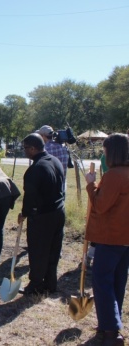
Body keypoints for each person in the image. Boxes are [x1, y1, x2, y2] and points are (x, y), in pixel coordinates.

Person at [84, 133, 129, 345]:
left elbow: (100, 206)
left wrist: (91, 185)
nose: (104, 154)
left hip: (111, 237)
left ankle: (111, 332)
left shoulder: (115, 175)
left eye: (105, 151)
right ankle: (109, 325)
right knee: (117, 283)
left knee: (102, 282)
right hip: (125, 239)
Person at [18, 133, 66, 295]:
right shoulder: (55, 161)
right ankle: (50, 284)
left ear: (33, 148)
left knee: (38, 250)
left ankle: (36, 285)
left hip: (43, 216)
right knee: (53, 249)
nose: (24, 151)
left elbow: (30, 197)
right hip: (59, 212)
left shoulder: (35, 169)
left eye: (25, 148)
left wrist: (24, 214)